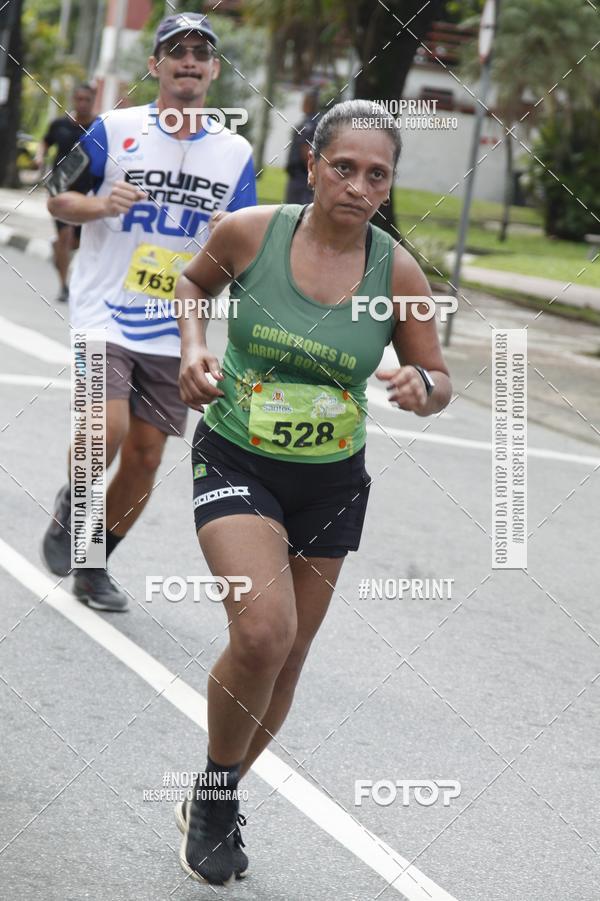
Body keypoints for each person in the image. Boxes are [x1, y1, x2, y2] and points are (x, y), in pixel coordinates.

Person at [173, 98, 452, 885]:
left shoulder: (395, 269)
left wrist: (419, 384)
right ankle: (219, 790)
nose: (359, 186)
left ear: (388, 186)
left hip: (332, 480)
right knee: (262, 632)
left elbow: (439, 378)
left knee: (288, 658)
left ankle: (215, 792)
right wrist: (194, 349)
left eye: (377, 175)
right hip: (237, 456)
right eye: (344, 167)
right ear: (311, 166)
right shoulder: (252, 233)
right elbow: (193, 287)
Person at [40, 12, 257, 611]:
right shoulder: (114, 128)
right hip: (104, 310)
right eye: (177, 51)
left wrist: (228, 232)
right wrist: (99, 202)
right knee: (105, 428)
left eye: (201, 53)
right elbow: (57, 192)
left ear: (213, 70)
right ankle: (74, 504)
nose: (189, 61)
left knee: (146, 454)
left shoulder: (234, 151)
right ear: (155, 65)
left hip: (178, 325)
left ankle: (95, 562)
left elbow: (248, 243)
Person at [35, 83, 97, 303]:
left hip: (87, 190)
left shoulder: (99, 128)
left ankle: (58, 248)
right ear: (73, 99)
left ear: (93, 100)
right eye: (78, 99)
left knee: (77, 242)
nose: (82, 103)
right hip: (59, 187)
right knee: (66, 236)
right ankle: (64, 286)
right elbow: (45, 141)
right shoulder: (60, 124)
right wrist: (39, 156)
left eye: (86, 100)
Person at [284, 89, 320, 203]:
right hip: (299, 177)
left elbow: (306, 151)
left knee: (294, 213)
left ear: (309, 103)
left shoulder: (309, 124)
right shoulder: (313, 121)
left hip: (301, 179)